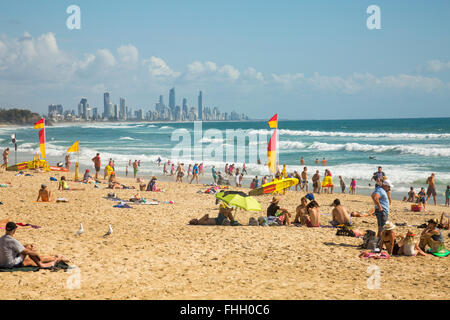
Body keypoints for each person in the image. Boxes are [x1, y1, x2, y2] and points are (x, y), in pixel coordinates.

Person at [0, 222, 65, 268]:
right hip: (10, 264)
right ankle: (41, 265)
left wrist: (25, 246)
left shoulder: (1, 239)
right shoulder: (12, 241)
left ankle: (51, 259)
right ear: (14, 230)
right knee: (29, 249)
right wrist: (36, 254)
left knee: (27, 247)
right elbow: (26, 252)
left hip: (1, 264)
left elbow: (12, 247)